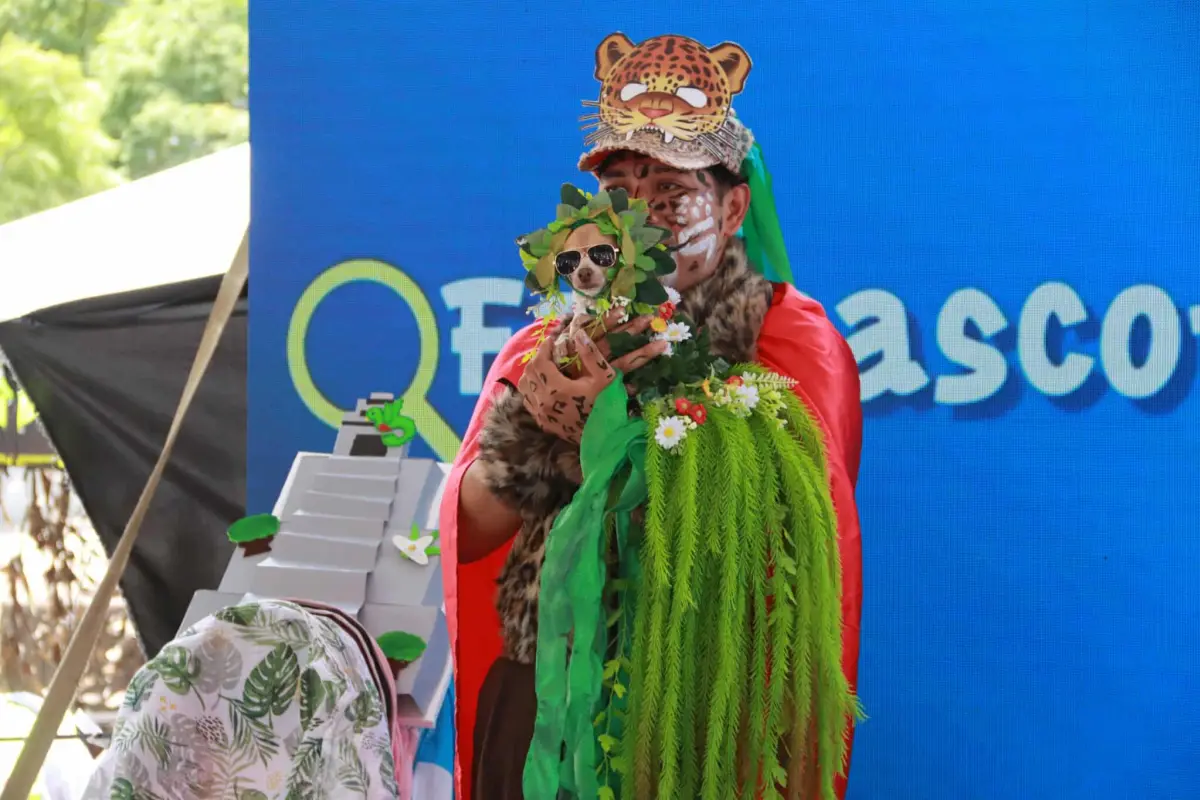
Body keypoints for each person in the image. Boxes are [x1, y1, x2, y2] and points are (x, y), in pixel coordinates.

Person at [440, 31, 863, 800]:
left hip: (702, 714)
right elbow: (467, 533)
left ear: (734, 206)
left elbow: (805, 541)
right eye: (621, 194)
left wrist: (659, 409)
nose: (641, 218)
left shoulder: (791, 341)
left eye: (670, 191)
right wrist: (553, 407)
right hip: (543, 703)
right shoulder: (547, 345)